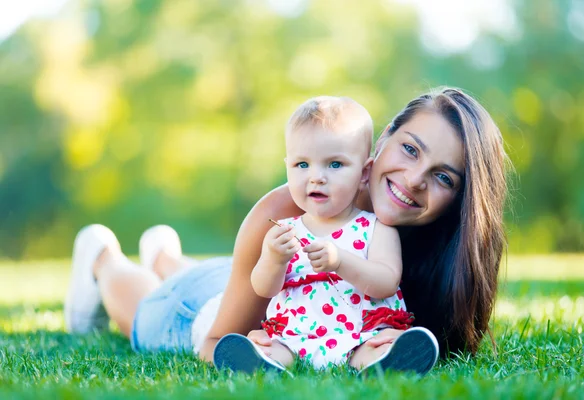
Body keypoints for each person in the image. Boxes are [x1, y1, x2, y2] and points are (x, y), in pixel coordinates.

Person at [64, 87, 508, 375]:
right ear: (383, 140)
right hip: (209, 307)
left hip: (268, 288)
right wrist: (256, 342)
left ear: (462, 201)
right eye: (410, 149)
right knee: (152, 312)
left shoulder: (434, 248)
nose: (414, 180)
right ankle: (103, 257)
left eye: (444, 177)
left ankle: (163, 253)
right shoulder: (288, 208)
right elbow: (216, 342)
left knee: (202, 275)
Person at [212, 96, 428, 374]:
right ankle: (261, 363)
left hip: (361, 334)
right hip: (294, 336)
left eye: (334, 164)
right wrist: (273, 259)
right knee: (272, 348)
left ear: (364, 173)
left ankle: (387, 362)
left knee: (377, 348)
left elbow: (386, 281)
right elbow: (264, 289)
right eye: (302, 165)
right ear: (287, 166)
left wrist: (340, 261)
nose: (316, 177)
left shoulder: (376, 227)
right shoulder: (283, 229)